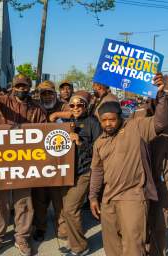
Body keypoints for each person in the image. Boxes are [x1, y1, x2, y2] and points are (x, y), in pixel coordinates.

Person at [89, 73, 168, 256]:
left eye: (112, 119)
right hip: (108, 199)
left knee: (134, 247)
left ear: (120, 118)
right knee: (112, 247)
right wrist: (93, 197)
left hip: (133, 198)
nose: (108, 124)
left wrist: (162, 95)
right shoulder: (100, 143)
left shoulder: (136, 128)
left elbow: (161, 122)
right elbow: (96, 171)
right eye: (104, 120)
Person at [0, 74, 47, 256]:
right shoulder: (1, 100)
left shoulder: (36, 109)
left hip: (25, 162)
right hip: (0, 161)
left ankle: (22, 237)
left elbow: (45, 133)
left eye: (25, 86)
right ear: (12, 86)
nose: (21, 89)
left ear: (29, 88)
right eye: (18, 86)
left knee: (23, 202)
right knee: (0, 203)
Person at [133, 97, 168, 256]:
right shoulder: (138, 114)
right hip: (138, 180)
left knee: (158, 225)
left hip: (162, 180)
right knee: (139, 223)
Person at [55, 91, 101, 256]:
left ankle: (80, 247)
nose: (75, 108)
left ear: (86, 106)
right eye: (72, 105)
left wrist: (80, 142)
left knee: (70, 209)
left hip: (84, 172)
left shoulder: (93, 123)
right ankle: (74, 241)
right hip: (67, 172)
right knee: (68, 209)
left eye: (79, 105)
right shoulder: (68, 122)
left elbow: (99, 150)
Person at [31, 80, 67, 242]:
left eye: (49, 93)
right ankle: (40, 227)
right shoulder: (34, 108)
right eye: (43, 93)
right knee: (39, 198)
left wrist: (57, 115)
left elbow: (76, 113)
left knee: (59, 197)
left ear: (55, 93)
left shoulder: (63, 106)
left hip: (59, 161)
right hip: (38, 161)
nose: (47, 96)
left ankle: (63, 226)